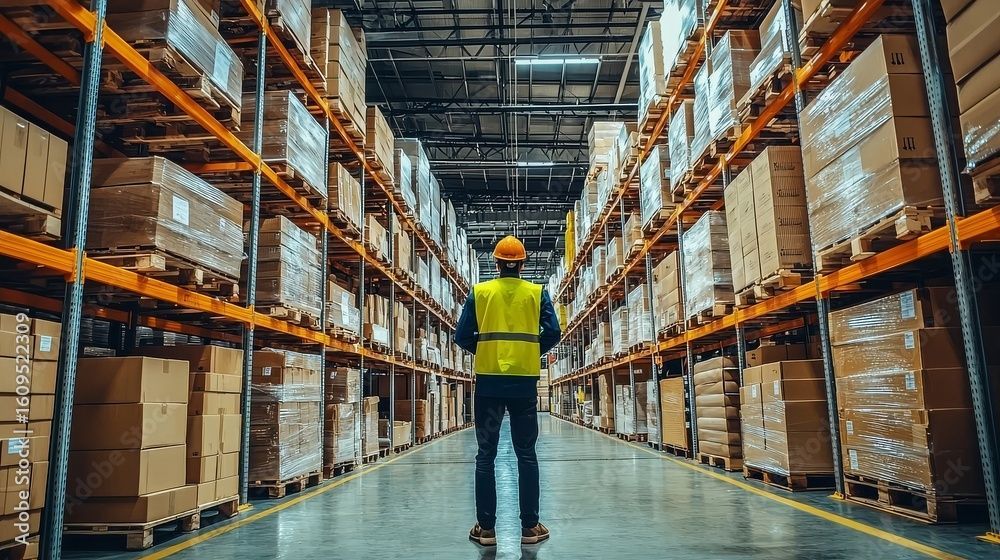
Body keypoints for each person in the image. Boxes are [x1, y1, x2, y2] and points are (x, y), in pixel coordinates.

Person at [455, 235, 562, 547]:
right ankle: (530, 527)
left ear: (496, 262)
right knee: (526, 454)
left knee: (485, 455)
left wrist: (487, 350)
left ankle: (486, 529)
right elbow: (553, 332)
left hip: (489, 382)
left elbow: (461, 335)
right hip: (524, 383)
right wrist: (531, 352)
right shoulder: (536, 293)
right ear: (523, 265)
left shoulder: (480, 292)